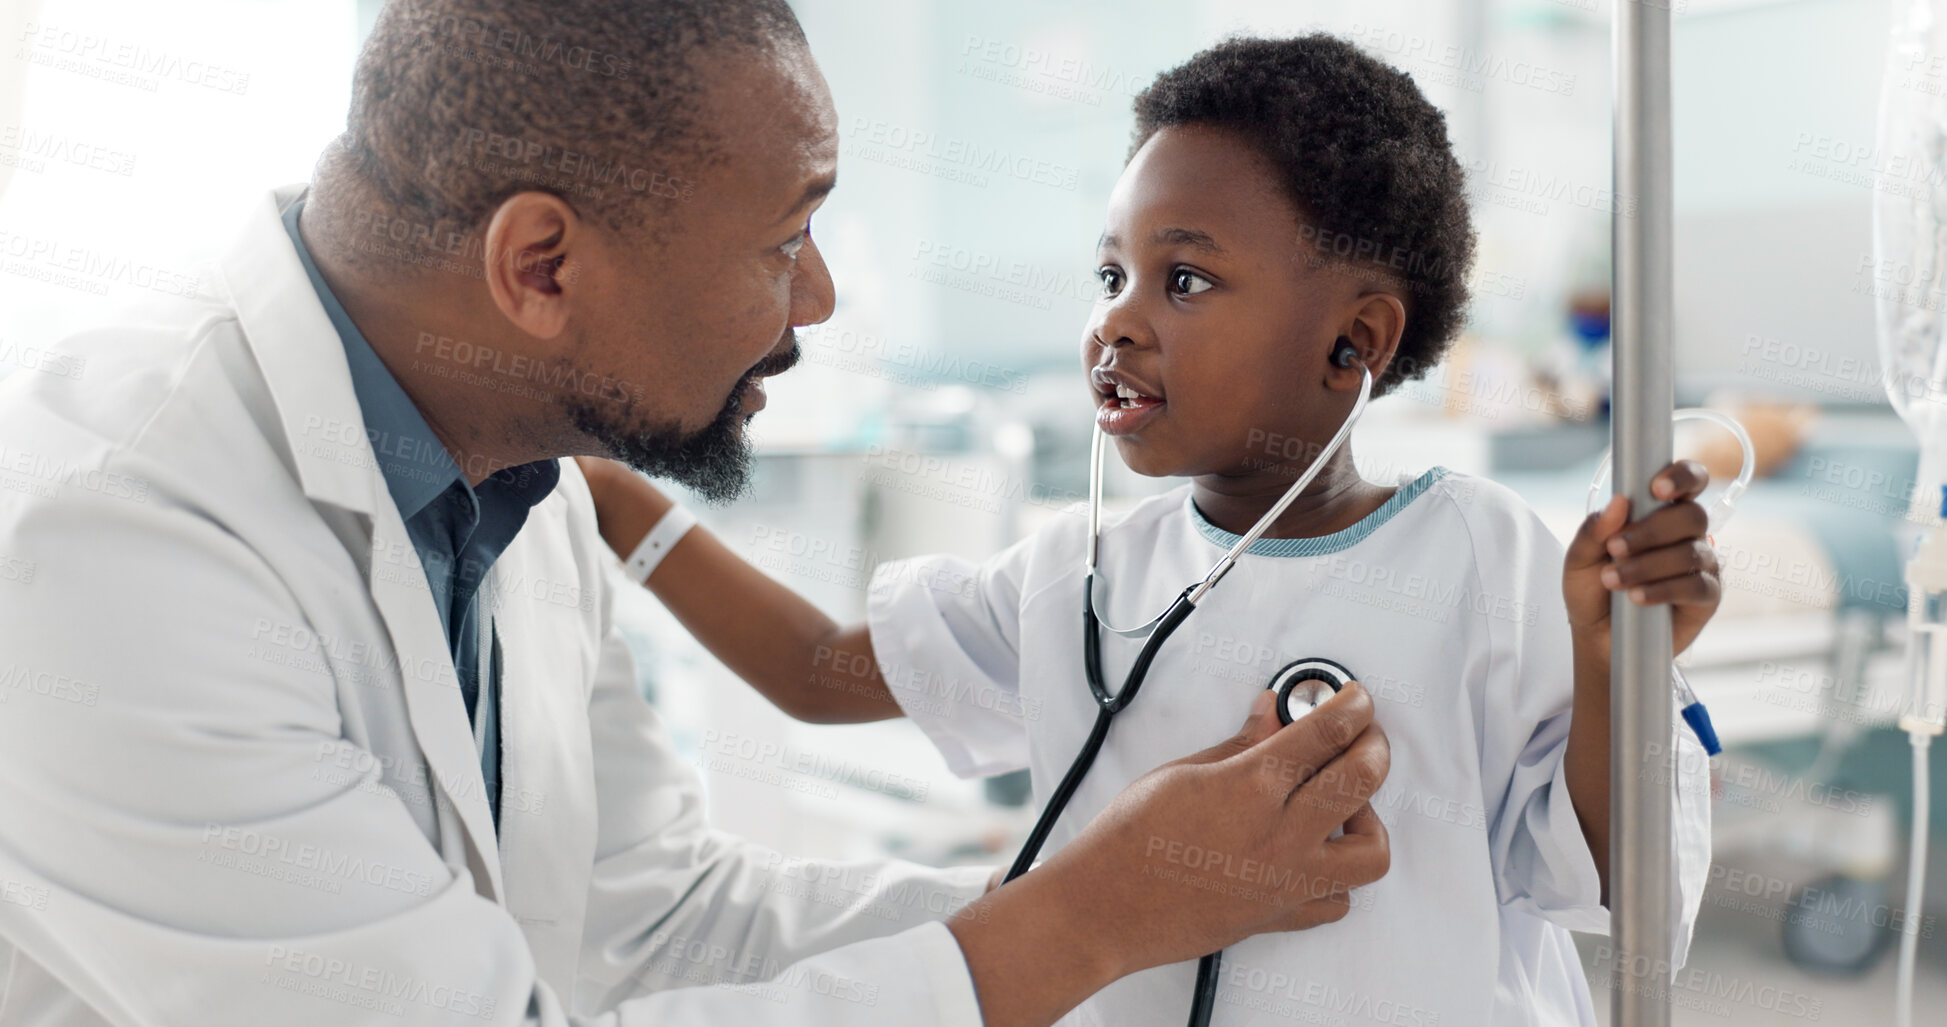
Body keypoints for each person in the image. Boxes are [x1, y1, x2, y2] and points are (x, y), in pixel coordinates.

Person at [0, 4, 1393, 1026]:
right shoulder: (111, 544)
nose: (818, 301)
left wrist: (1121, 889)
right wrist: (1079, 921)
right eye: (784, 241)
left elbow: (649, 919)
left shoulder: (511, 461)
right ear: (540, 265)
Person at [575, 34, 1717, 1027]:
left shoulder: (1482, 558)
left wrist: (1620, 663)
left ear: (1353, 342)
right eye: (1110, 272)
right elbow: (819, 672)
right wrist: (624, 506)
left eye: (1184, 279)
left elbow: (1624, 890)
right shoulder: (1081, 577)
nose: (1117, 321)